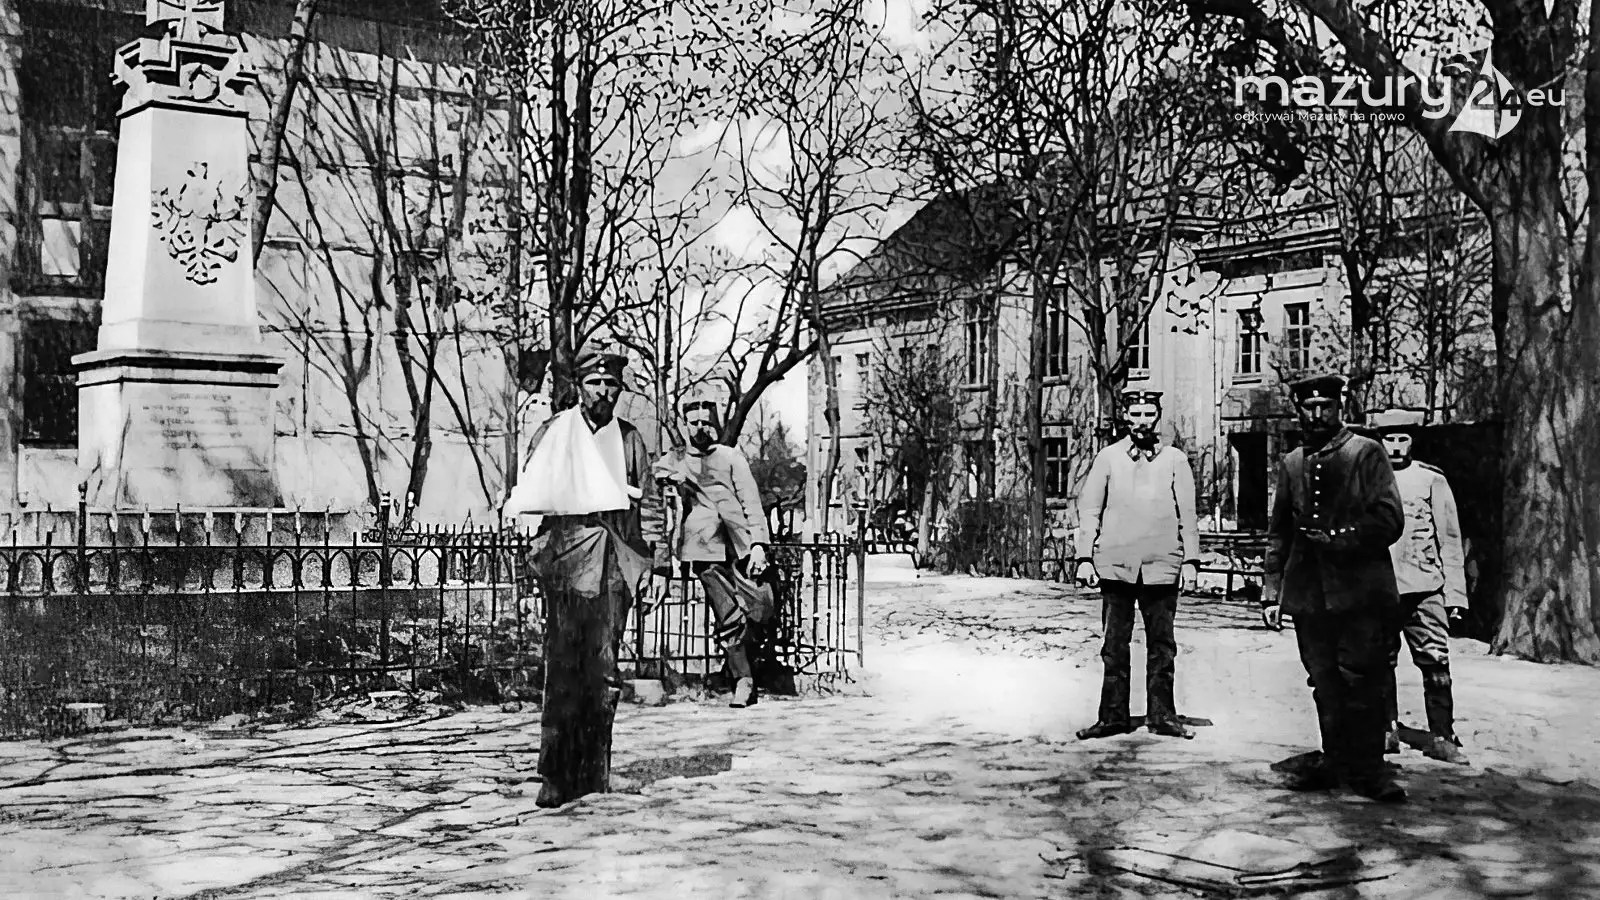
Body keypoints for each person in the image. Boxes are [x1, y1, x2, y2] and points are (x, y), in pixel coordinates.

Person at [502, 347, 661, 809]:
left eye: (611, 384)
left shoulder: (629, 439)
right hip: (568, 560)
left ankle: (594, 771)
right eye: (595, 383)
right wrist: (533, 556)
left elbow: (651, 504)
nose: (604, 392)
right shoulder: (556, 432)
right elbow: (531, 492)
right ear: (579, 387)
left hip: (615, 560)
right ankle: (555, 773)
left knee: (604, 670)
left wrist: (658, 565)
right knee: (563, 667)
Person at [1260, 374, 1407, 802]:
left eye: (1325, 406)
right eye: (1309, 407)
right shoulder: (1292, 463)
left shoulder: (1366, 453)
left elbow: (1389, 519)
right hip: (1310, 595)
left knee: (1362, 679)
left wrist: (1340, 538)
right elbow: (1279, 533)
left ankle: (1369, 770)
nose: (1317, 414)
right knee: (1323, 680)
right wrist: (1272, 592)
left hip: (1361, 593)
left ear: (1339, 407)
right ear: (1299, 410)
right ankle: (1335, 760)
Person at [1074, 389, 1201, 740]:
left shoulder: (1175, 460)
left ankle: (1163, 717)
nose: (1142, 421)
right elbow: (1090, 509)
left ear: (1157, 416)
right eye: (1136, 414)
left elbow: (1188, 514)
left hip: (1162, 565)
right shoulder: (1108, 458)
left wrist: (1191, 560)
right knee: (1115, 645)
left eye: (1148, 414)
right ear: (1125, 417)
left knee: (1162, 646)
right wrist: (1084, 557)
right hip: (1116, 565)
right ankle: (1112, 717)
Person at [654, 400, 771, 708]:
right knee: (728, 615)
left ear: (715, 424)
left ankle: (737, 667)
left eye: (706, 422)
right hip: (704, 547)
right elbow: (654, 473)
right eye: (694, 422)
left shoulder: (731, 457)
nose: (700, 428)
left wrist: (759, 544)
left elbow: (751, 501)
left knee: (761, 607)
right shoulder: (676, 459)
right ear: (685, 426)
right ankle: (743, 680)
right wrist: (672, 478)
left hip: (740, 544)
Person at [1369, 409, 1470, 765]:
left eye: (1403, 438)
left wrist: (1455, 594)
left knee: (1435, 660)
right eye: (1389, 439)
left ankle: (1442, 735)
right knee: (1379, 661)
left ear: (1413, 441)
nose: (1396, 446)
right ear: (1378, 441)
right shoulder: (1366, 479)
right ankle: (1386, 730)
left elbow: (1450, 539)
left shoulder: (1430, 480)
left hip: (1425, 587)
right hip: (1379, 589)